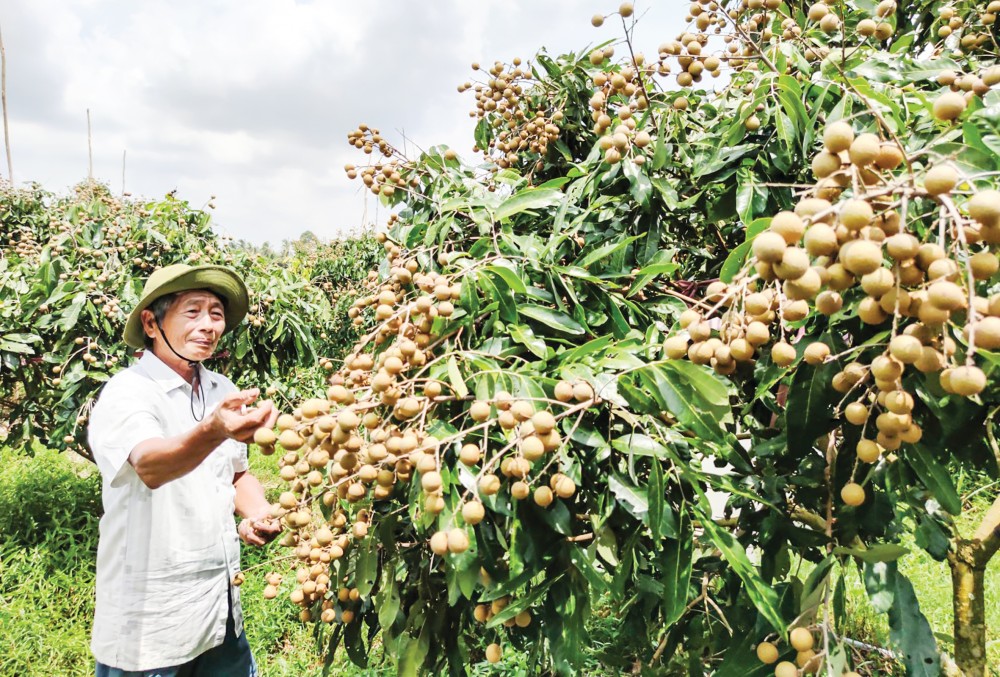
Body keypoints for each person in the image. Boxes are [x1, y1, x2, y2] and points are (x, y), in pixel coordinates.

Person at [88, 264, 281, 677]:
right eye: (192, 312)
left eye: (216, 313)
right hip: (152, 617)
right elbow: (150, 465)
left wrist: (259, 513)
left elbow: (235, 474)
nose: (209, 325)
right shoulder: (128, 391)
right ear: (151, 323)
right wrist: (213, 430)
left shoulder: (222, 391)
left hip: (219, 608)